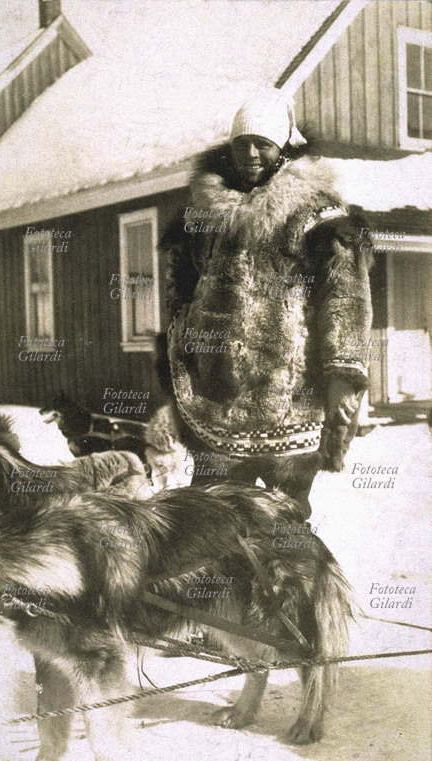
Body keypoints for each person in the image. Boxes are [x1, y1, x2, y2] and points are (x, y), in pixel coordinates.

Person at [145, 88, 373, 518]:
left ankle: (296, 586)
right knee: (210, 522)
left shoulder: (318, 215)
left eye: (261, 143)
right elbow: (181, 293)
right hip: (217, 403)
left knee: (285, 522)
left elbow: (345, 298)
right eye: (241, 143)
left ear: (283, 145)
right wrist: (182, 353)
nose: (250, 153)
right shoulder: (205, 214)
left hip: (288, 404)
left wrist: (343, 374)